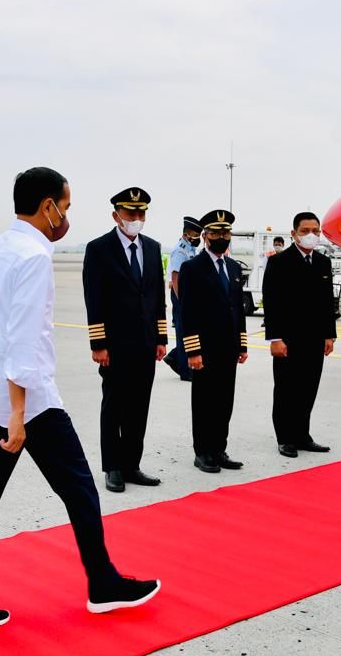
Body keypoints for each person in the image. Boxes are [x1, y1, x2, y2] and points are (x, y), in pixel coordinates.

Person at [0, 168, 159, 639]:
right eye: (67, 207)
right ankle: (102, 585)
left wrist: (4, 403)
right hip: (30, 400)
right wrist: (18, 414)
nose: (67, 217)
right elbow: (24, 341)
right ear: (48, 207)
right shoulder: (35, 257)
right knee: (80, 489)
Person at [83, 188, 168, 493]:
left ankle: (132, 464)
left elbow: (158, 297)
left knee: (139, 407)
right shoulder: (99, 249)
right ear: (116, 215)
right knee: (115, 406)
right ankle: (113, 467)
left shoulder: (153, 247)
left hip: (146, 344)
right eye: (130, 213)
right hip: (115, 346)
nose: (136, 219)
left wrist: (161, 337)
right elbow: (94, 299)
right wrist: (98, 344)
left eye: (141, 213)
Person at [178, 209, 248, 473]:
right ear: (206, 236)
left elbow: (237, 309)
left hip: (228, 348)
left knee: (224, 400)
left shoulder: (232, 267)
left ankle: (219, 449)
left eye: (226, 232)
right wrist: (193, 351)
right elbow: (188, 312)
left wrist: (242, 345)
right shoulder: (192, 268)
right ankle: (203, 452)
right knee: (205, 401)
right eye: (217, 233)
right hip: (204, 349)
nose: (223, 237)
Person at [262, 212, 337, 458]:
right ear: (294, 234)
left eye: (315, 230)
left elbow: (328, 302)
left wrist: (329, 335)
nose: (311, 235)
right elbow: (271, 303)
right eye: (305, 231)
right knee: (286, 389)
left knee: (308, 387)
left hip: (315, 338)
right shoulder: (279, 262)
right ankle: (285, 437)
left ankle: (302, 435)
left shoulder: (323, 263)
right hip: (288, 339)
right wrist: (275, 338)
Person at [163, 216, 202, 382]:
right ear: (187, 235)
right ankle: (185, 372)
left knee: (191, 330)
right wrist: (181, 301)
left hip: (189, 294)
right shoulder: (180, 250)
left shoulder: (190, 249)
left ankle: (173, 357)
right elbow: (176, 277)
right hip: (181, 293)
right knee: (182, 331)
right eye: (195, 235)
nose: (198, 238)